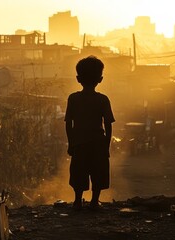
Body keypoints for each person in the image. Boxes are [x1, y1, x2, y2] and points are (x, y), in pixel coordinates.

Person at [64, 56, 115, 210]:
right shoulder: (103, 100)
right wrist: (106, 145)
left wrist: (71, 143)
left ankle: (78, 201)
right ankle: (94, 202)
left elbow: (68, 124)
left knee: (78, 173)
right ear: (100, 79)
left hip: (79, 143)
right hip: (98, 143)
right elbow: (108, 125)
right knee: (98, 173)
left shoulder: (73, 98)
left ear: (78, 78)